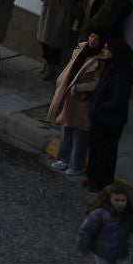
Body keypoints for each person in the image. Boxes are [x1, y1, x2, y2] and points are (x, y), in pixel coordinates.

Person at [50, 29, 107, 176]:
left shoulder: (102, 59)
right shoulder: (81, 48)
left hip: (82, 98)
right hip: (69, 93)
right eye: (92, 36)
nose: (92, 40)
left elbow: (96, 82)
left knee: (80, 132)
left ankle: (77, 164)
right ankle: (63, 159)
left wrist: (78, 88)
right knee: (66, 127)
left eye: (97, 39)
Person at [86, 38, 133, 191]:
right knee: (96, 149)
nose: (103, 50)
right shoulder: (110, 67)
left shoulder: (121, 75)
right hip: (101, 117)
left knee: (105, 152)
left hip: (109, 121)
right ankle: (93, 179)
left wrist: (98, 107)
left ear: (116, 53)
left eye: (106, 48)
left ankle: (102, 183)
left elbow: (118, 100)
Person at [36, 0, 85, 79]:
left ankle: (51, 66)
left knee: (56, 42)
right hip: (50, 9)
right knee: (44, 39)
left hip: (64, 12)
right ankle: (48, 62)